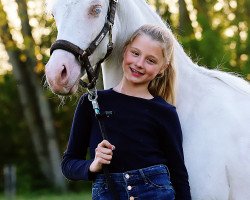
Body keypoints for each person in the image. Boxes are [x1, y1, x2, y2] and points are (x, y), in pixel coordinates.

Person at [61, 24, 191, 200]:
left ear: (163, 68)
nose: (139, 64)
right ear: (125, 51)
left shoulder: (164, 112)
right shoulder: (92, 102)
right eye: (135, 53)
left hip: (154, 193)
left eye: (151, 60)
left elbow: (179, 175)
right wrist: (93, 165)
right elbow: (69, 164)